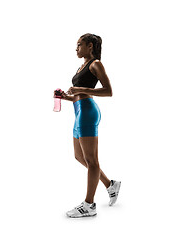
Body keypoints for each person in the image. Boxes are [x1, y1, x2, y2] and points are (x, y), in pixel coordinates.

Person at [54, 33, 121, 218]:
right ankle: (110, 185)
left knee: (92, 161)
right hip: (78, 111)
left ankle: (89, 205)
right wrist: (65, 97)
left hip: (88, 112)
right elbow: (79, 94)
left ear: (90, 46)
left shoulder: (95, 64)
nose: (76, 48)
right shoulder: (82, 66)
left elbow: (109, 91)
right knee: (79, 156)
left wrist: (81, 89)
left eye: (79, 45)